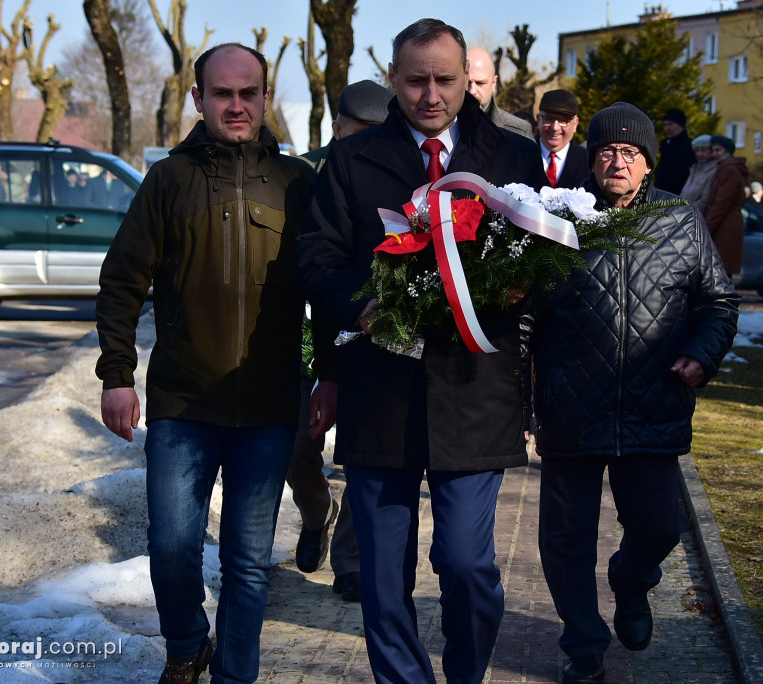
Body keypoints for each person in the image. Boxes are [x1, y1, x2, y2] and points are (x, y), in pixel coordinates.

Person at [296, 18, 545, 684]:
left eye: (444, 79)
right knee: (381, 574)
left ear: (468, 79)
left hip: (476, 387)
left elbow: (544, 258)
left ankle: (464, 674)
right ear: (394, 80)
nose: (430, 95)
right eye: (415, 81)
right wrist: (361, 302)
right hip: (382, 389)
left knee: (467, 565)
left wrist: (522, 281)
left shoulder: (515, 159)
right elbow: (317, 258)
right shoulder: (350, 161)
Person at [95, 43, 316, 684]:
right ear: (199, 99)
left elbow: (327, 286)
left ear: (266, 97)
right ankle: (188, 645)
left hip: (270, 404)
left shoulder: (297, 183)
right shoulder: (168, 180)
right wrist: (116, 374)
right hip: (182, 402)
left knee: (248, 563)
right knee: (171, 551)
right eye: (223, 94)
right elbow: (121, 281)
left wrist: (329, 374)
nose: (237, 105)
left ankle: (234, 676)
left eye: (249, 93)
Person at [527, 101, 740, 684]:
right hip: (571, 408)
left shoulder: (680, 219)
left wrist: (701, 355)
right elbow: (526, 320)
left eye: (629, 152)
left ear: (648, 162)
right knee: (566, 541)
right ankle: (585, 644)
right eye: (605, 151)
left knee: (660, 527)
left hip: (653, 406)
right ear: (590, 159)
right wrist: (525, 402)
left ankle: (631, 582)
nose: (616, 162)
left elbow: (718, 302)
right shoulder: (557, 219)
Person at [292, 79, 393, 604]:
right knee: (295, 443)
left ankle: (350, 560)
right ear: (337, 128)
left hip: (353, 323)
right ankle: (315, 513)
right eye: (359, 134)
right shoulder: (300, 173)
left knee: (361, 449)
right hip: (297, 326)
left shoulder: (386, 174)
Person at [301, 79, 393, 170]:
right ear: (337, 131)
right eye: (360, 134)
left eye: (379, 134)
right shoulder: (303, 172)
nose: (369, 144)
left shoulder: (401, 170)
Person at [466, 47, 535, 140]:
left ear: (494, 83)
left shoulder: (520, 132)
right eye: (466, 82)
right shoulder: (441, 128)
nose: (472, 91)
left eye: (480, 83)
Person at [704, 135, 747, 275]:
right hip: (725, 223)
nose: (715, 154)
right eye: (713, 150)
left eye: (718, 150)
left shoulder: (730, 170)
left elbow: (722, 202)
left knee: (722, 271)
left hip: (726, 225)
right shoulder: (725, 168)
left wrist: (708, 227)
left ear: (727, 151)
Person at [536, 89, 588, 189]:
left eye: (563, 121)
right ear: (539, 119)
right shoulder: (520, 157)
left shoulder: (588, 163)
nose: (555, 127)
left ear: (575, 123)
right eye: (549, 119)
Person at [652, 107, 696, 194]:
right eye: (665, 125)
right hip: (660, 192)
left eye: (670, 124)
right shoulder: (666, 144)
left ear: (680, 125)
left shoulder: (689, 147)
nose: (667, 128)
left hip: (676, 195)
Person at [679, 134, 718, 215]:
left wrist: (686, 212)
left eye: (703, 150)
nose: (700, 154)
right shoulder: (694, 169)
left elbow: (705, 199)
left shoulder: (713, 171)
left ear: (711, 151)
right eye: (697, 150)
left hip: (695, 217)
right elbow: (684, 193)